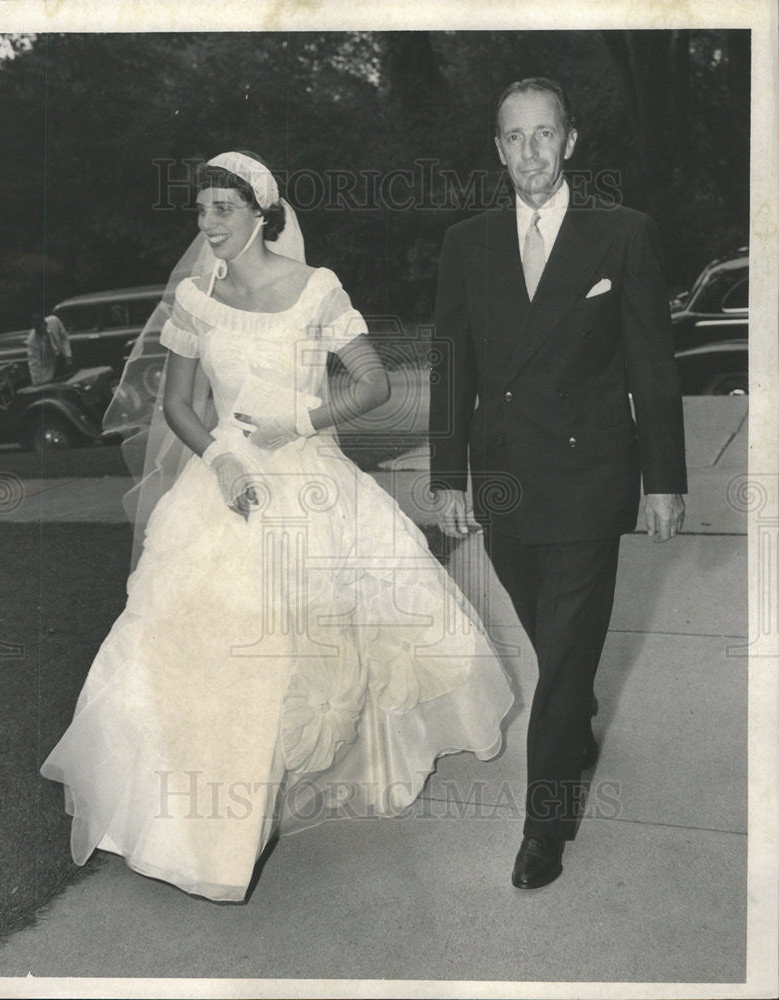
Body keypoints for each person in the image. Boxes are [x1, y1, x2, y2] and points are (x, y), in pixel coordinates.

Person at [41, 151, 514, 902]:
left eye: (220, 211)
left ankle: (270, 803)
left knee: (300, 657)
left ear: (261, 213)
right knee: (206, 655)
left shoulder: (317, 289)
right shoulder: (196, 300)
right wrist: (221, 460)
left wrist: (300, 418)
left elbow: (374, 383)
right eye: (199, 212)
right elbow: (178, 406)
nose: (206, 226)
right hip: (222, 489)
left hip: (310, 481)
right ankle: (198, 832)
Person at [430, 78, 687, 890]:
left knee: (561, 652)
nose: (531, 151)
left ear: (570, 142)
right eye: (515, 137)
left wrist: (663, 479)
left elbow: (652, 364)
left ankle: (544, 825)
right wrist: (446, 477)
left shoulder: (623, 235)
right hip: (504, 480)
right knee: (554, 639)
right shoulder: (465, 244)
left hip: (588, 474)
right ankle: (575, 713)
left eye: (546, 135)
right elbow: (449, 371)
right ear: (497, 149)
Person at [26, 312, 74, 385]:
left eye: (40, 328)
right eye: (36, 329)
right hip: (49, 365)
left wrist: (68, 356)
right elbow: (34, 363)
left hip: (62, 355)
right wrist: (37, 383)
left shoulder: (54, 321)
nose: (39, 331)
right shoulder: (32, 341)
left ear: (45, 324)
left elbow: (64, 337)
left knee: (71, 380)